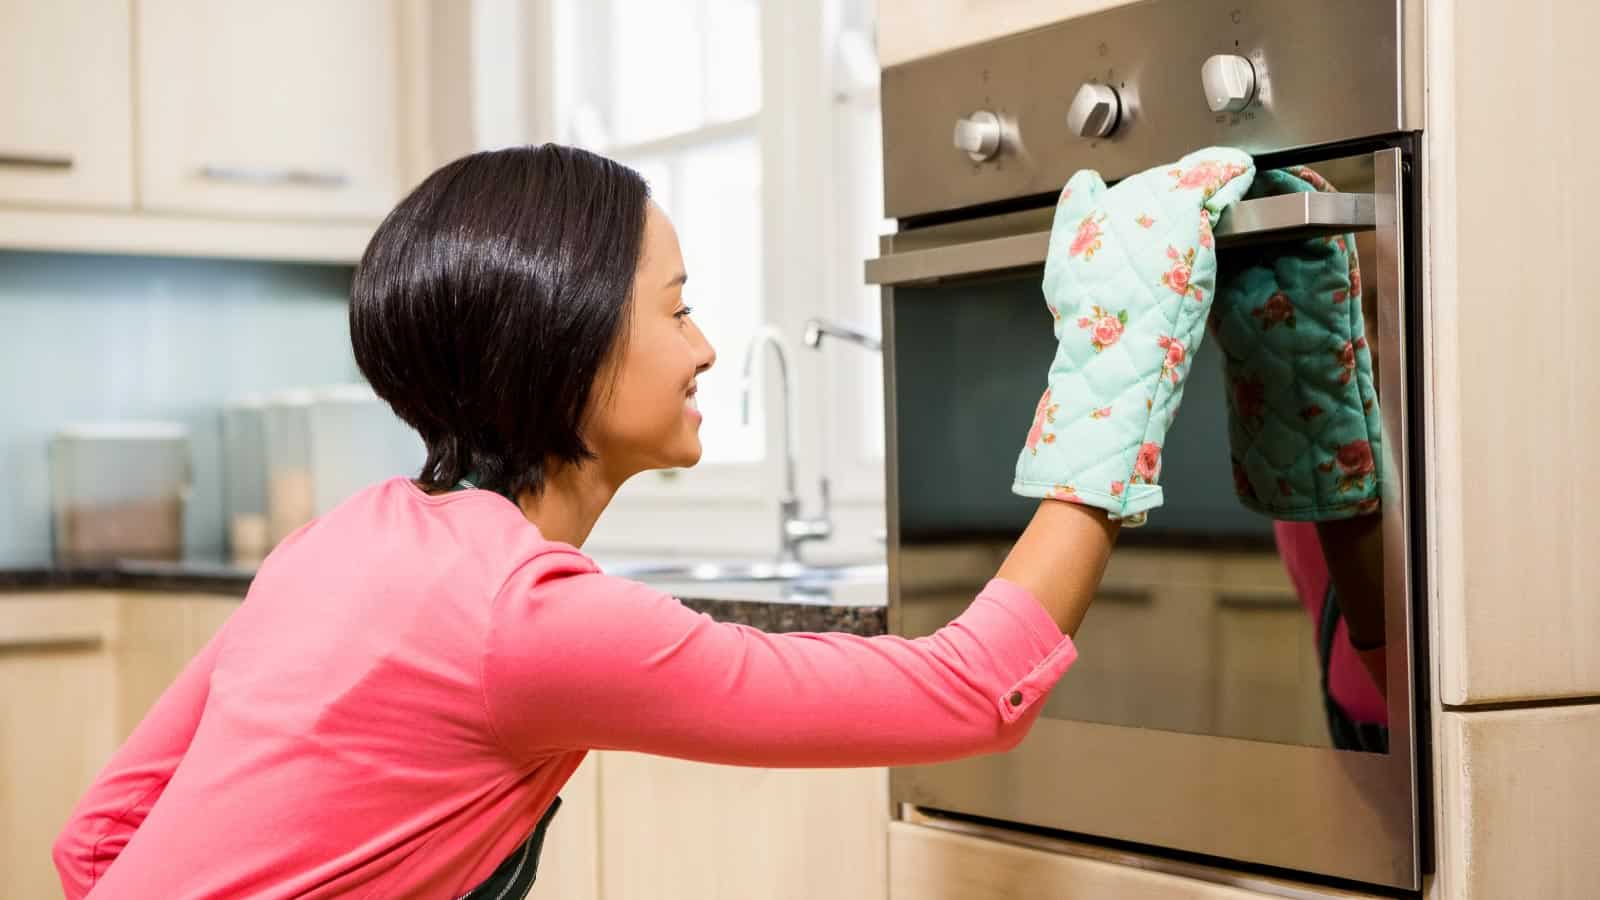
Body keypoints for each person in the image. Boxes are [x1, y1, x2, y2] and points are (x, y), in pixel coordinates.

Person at [52, 145, 1122, 898]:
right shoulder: (529, 624)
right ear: (566, 341)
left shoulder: (333, 544)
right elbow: (973, 691)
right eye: (677, 307)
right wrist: (1117, 385)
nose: (704, 348)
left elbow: (97, 846)